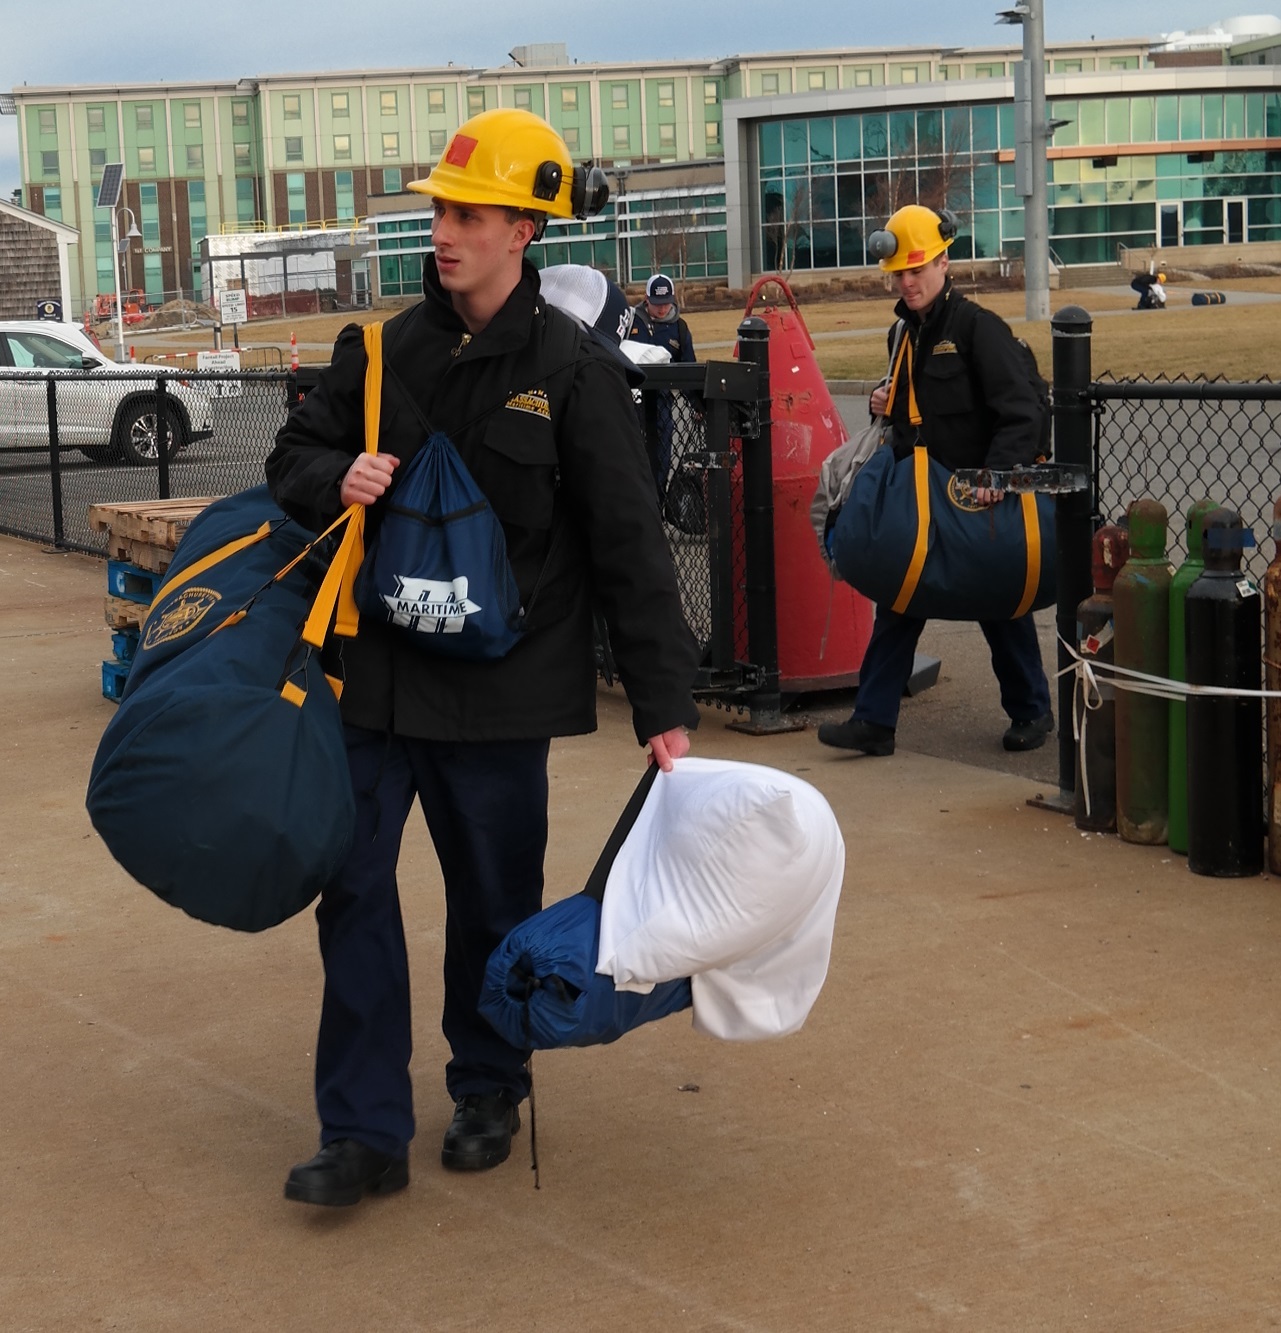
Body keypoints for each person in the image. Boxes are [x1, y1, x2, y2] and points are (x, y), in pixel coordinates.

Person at [265, 108, 700, 1208]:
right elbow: (294, 454)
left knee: (492, 903)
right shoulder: (381, 352)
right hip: (378, 686)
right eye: (441, 211)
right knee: (351, 887)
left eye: (468, 213)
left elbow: (628, 541)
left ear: (522, 230)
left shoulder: (573, 368)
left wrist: (664, 700)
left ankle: (488, 1085)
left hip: (504, 693)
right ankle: (361, 1129)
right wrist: (339, 479)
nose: (445, 231)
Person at [817, 203, 1053, 758]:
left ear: (945, 263)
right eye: (899, 273)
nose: (908, 281)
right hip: (923, 502)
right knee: (901, 602)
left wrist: (999, 473)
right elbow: (913, 416)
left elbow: (1023, 408)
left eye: (918, 269)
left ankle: (1032, 712)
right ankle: (874, 721)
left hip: (978, 497)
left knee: (999, 604)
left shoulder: (978, 329)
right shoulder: (904, 335)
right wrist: (886, 399)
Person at [626, 273, 697, 497]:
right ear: (647, 299)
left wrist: (697, 405)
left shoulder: (680, 329)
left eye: (666, 303)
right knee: (633, 453)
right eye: (657, 304)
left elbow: (688, 368)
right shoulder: (631, 321)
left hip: (663, 402)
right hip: (633, 402)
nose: (662, 309)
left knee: (662, 455)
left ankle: (657, 502)